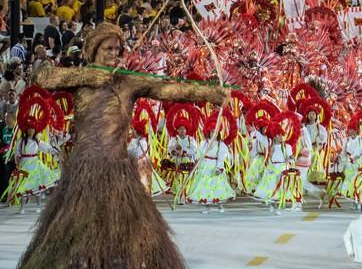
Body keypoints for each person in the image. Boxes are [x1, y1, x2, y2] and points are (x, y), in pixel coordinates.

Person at [20, 22, 229, 269]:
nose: (114, 54)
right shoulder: (80, 81)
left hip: (117, 172)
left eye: (117, 50)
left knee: (134, 234)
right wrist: (89, 75)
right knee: (73, 235)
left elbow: (168, 89)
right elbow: (41, 77)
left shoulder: (127, 82)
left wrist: (210, 94)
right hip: (83, 172)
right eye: (108, 49)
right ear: (93, 50)